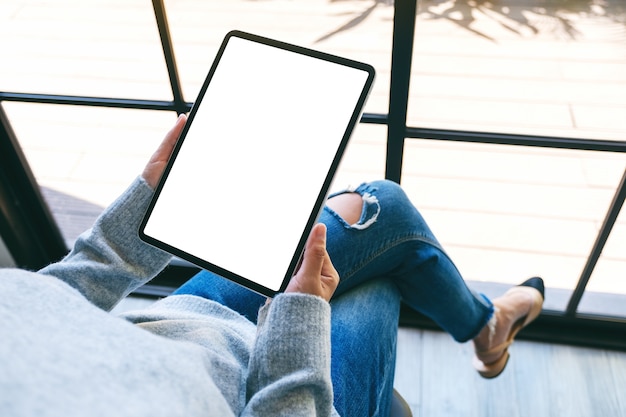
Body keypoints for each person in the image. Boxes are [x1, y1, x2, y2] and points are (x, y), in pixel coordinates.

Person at [0, 115, 544, 417]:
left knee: (380, 207)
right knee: (381, 261)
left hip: (176, 326)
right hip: (277, 397)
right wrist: (298, 317)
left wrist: (147, 201)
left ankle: (485, 327)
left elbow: (56, 304)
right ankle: (484, 327)